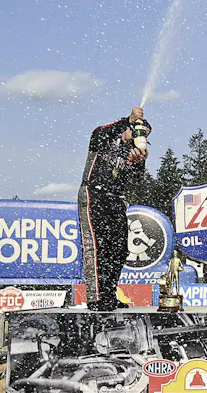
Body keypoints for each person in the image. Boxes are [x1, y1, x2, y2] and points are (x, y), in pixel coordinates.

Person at [77, 107, 151, 311]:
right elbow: (98, 133)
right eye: (137, 132)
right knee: (96, 247)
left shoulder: (133, 151)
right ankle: (96, 298)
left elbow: (136, 181)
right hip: (93, 194)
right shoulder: (105, 138)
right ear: (128, 128)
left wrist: (139, 163)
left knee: (118, 248)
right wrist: (128, 120)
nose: (138, 138)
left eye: (144, 136)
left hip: (116, 198)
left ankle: (109, 295)